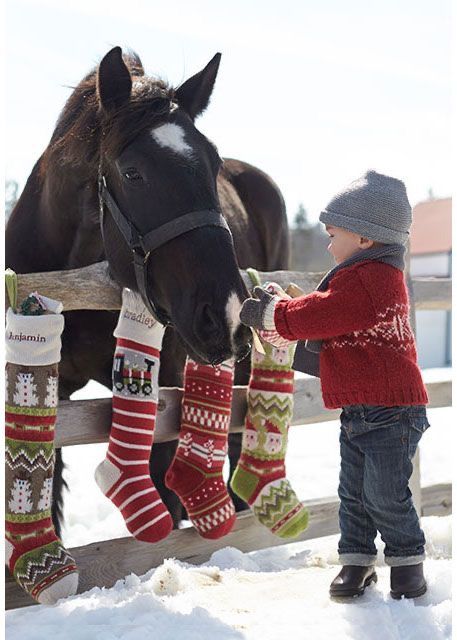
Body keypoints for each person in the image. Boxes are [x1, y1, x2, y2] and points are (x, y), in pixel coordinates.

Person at [239, 170, 430, 600]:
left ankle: (406, 560)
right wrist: (281, 314)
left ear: (365, 238)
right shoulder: (358, 274)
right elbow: (324, 309)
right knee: (353, 494)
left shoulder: (376, 280)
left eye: (332, 234)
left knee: (384, 494)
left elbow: (324, 312)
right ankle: (357, 562)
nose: (327, 244)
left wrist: (277, 316)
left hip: (392, 411)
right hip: (361, 410)